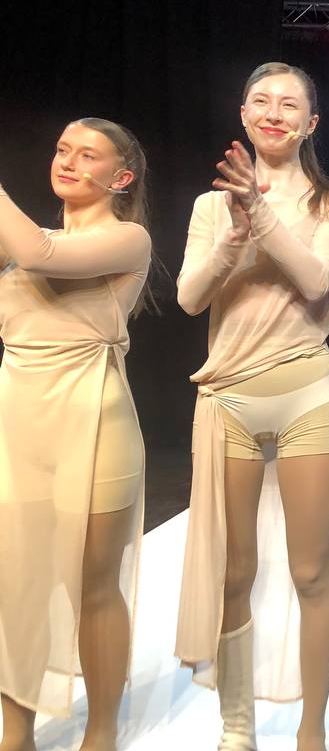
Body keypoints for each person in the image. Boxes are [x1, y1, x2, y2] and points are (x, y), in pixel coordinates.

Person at [174, 62, 329, 751]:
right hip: (228, 397)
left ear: (311, 123)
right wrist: (234, 228)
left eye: (289, 104)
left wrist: (260, 211)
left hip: (307, 390)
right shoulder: (211, 207)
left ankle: (311, 730)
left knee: (312, 570)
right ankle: (237, 726)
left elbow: (314, 279)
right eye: (261, 100)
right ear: (244, 114)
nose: (273, 112)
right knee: (234, 571)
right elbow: (190, 297)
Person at [0, 118, 153, 751]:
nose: (68, 161)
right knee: (16, 582)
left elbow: (44, 255)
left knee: (93, 584)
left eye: (88, 154)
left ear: (121, 177)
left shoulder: (128, 238)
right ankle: (15, 732)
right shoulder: (24, 242)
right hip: (18, 425)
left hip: (94, 422)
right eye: (63, 149)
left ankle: (101, 730)